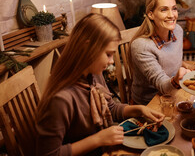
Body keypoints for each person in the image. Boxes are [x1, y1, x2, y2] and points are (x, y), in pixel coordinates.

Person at [36, 13, 165, 155]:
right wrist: (98, 139)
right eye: (108, 54)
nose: (111, 61)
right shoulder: (61, 99)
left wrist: (139, 110)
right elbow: (48, 154)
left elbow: (111, 109)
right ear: (88, 48)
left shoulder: (93, 75)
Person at [130, 0, 195, 105]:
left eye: (174, 9)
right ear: (151, 14)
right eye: (164, 10)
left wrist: (186, 65)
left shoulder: (178, 31)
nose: (171, 15)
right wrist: (176, 80)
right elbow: (162, 85)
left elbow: (169, 60)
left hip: (175, 92)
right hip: (149, 104)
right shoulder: (141, 46)